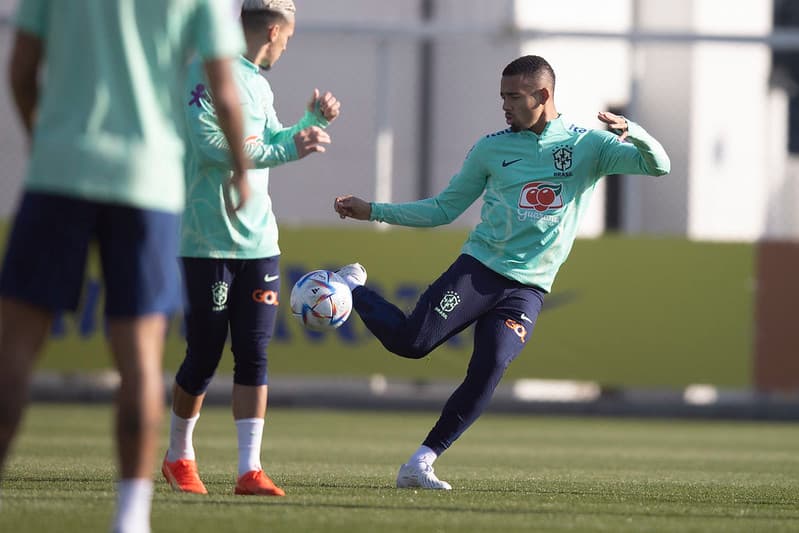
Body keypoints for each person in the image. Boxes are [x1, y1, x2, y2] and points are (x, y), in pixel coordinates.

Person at [333, 55, 670, 490]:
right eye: (502, 97)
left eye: (514, 97)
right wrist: (372, 210)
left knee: (490, 366)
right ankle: (353, 286)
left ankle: (421, 462)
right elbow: (442, 209)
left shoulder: (589, 146)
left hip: (528, 289)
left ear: (543, 95)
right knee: (411, 344)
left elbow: (658, 164)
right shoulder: (491, 148)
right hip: (480, 270)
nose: (505, 106)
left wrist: (633, 131)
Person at [0, 1, 249, 532]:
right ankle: (131, 518)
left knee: (14, 350)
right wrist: (242, 176)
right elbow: (225, 92)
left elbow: (21, 71)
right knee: (138, 360)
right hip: (146, 180)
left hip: (58, 171)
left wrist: (46, 142)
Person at [160, 0, 340, 497]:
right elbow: (214, 147)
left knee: (254, 354)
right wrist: (289, 148)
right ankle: (178, 455)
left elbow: (269, 139)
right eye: (288, 38)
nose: (286, 47)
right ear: (275, 31)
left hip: (259, 240)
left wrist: (304, 123)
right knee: (203, 354)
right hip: (206, 239)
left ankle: (249, 470)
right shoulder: (203, 70)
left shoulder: (258, 83)